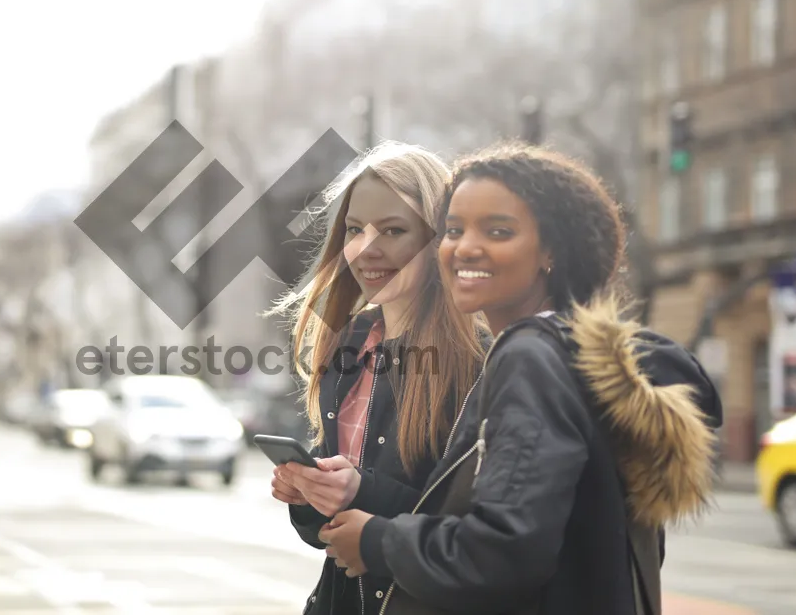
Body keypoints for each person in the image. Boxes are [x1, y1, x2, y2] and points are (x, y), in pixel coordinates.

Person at [320, 142, 724, 615]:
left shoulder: (530, 356)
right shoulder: (579, 356)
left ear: (551, 249)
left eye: (498, 230)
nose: (465, 247)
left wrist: (378, 542)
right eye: (453, 229)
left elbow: (503, 550)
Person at [267, 142, 488, 614]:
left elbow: (481, 535)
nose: (366, 249)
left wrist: (360, 491)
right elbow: (333, 536)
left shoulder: (479, 360)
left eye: (392, 230)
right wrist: (308, 496)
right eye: (354, 229)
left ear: (437, 240)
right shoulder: (346, 345)